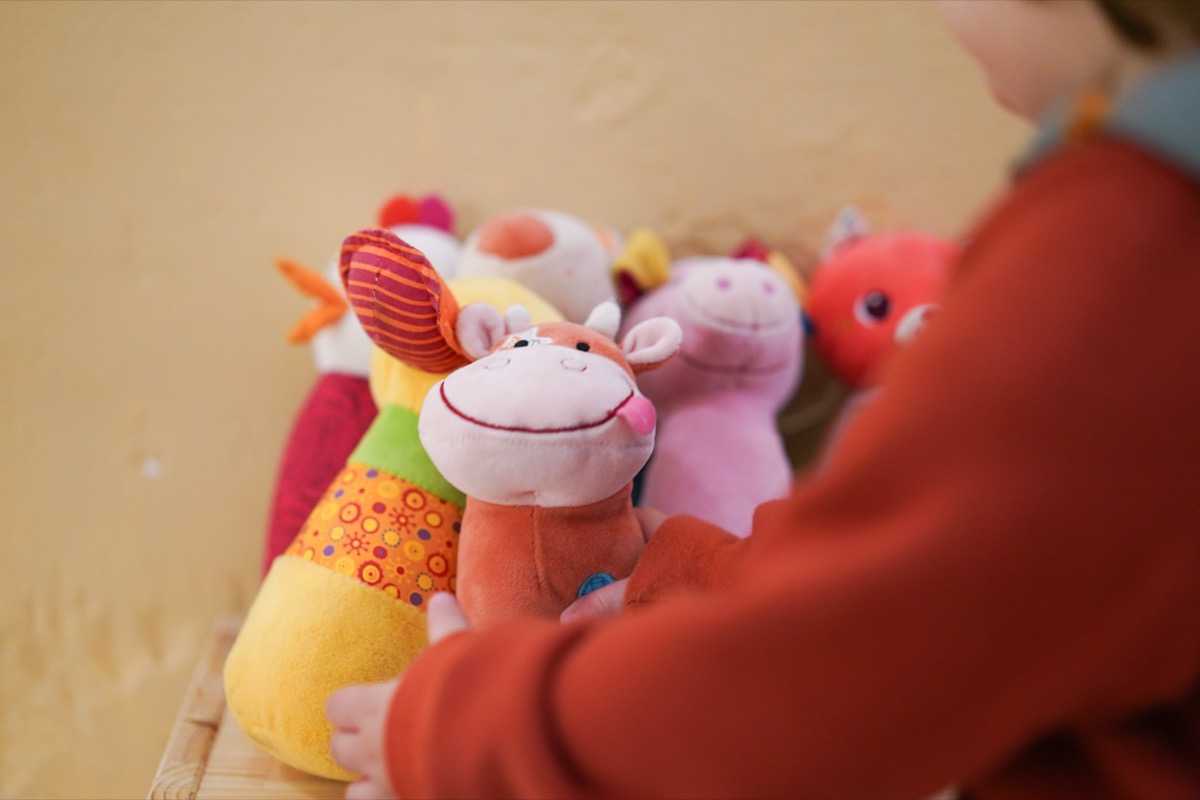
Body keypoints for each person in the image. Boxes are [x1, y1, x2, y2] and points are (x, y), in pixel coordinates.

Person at [326, 1, 1200, 797]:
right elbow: (969, 578)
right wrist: (711, 569)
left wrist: (469, 724)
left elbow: (843, 664)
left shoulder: (1124, 246)